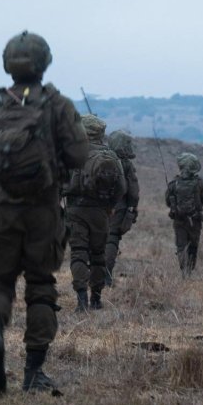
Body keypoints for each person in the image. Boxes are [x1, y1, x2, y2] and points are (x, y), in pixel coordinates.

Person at [0, 30, 88, 395]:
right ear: (44, 63)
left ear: (8, 64)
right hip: (43, 213)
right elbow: (80, 155)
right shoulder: (57, 105)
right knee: (41, 287)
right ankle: (34, 372)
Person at [64, 115, 126, 311]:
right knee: (98, 254)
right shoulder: (111, 156)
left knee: (79, 253)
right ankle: (96, 299)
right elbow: (122, 188)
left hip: (75, 211)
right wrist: (110, 205)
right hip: (101, 212)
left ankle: (81, 299)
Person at [165, 153, 203, 276]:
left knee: (181, 246)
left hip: (179, 220)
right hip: (195, 220)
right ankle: (189, 270)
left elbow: (167, 202)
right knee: (193, 246)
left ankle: (184, 271)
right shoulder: (200, 183)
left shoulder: (173, 184)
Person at [104, 130, 140, 286]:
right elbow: (133, 190)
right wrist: (132, 207)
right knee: (111, 239)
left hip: (99, 206)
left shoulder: (101, 158)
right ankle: (106, 276)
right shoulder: (125, 164)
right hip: (118, 207)